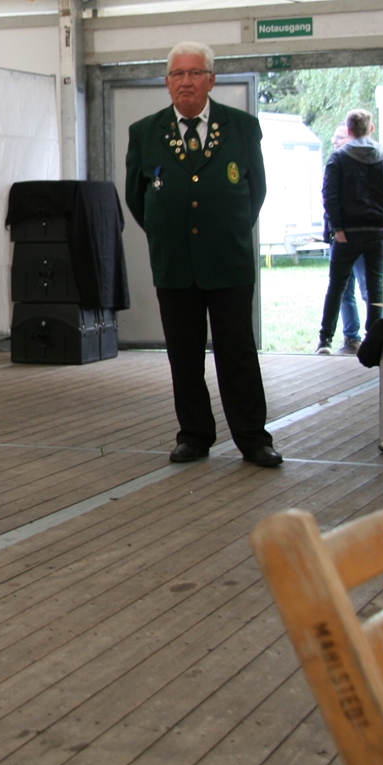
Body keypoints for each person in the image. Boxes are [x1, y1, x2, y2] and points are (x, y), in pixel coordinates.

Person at [124, 42, 281, 467]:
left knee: (238, 353)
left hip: (228, 261)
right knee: (184, 356)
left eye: (195, 73)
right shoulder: (145, 132)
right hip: (175, 264)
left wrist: (228, 229)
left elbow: (256, 190)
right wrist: (166, 233)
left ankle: (253, 439)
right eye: (178, 74)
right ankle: (193, 436)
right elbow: (137, 198)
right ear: (167, 82)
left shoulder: (242, 127)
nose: (186, 82)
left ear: (211, 80)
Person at [316, 109, 383, 355]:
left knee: (337, 287)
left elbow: (329, 195)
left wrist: (338, 228)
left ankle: (325, 340)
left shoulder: (339, 158)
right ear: (371, 128)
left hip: (348, 233)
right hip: (379, 232)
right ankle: (375, 342)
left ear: (349, 130)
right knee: (375, 289)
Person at [328, 120, 368, 353]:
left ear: (353, 136)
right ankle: (351, 338)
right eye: (334, 138)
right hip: (340, 237)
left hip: (362, 237)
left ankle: (375, 338)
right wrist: (335, 230)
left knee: (368, 289)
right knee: (344, 290)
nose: (335, 142)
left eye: (340, 137)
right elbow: (329, 197)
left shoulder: (369, 163)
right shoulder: (335, 162)